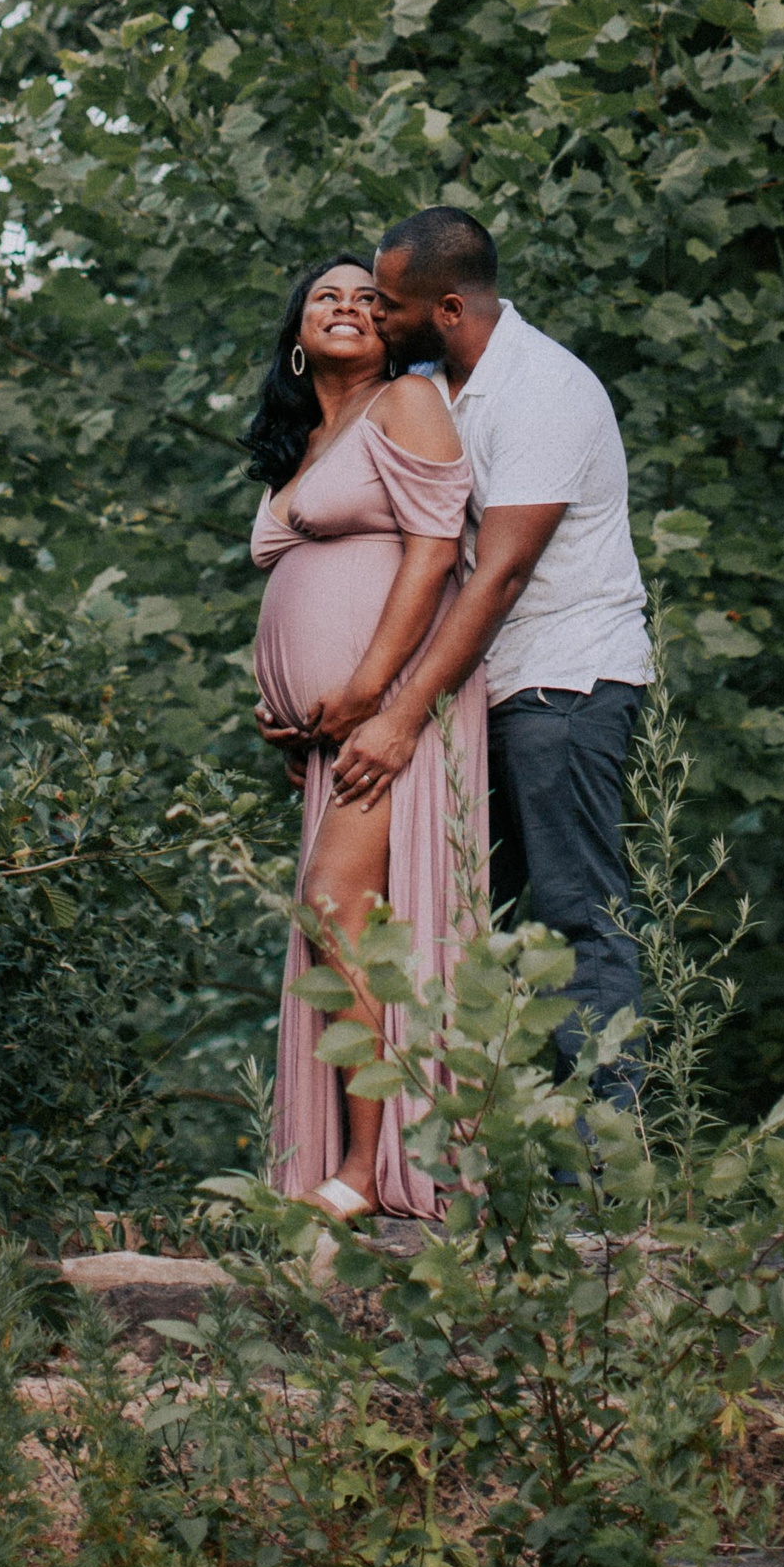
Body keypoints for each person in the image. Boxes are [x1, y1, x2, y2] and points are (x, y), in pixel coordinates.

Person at [334, 209, 651, 1079]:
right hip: (490, 691)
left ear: (445, 307)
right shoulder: (440, 385)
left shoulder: (544, 387)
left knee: (575, 915)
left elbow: (499, 576)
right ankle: (521, 1170)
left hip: (563, 686)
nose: (375, 317)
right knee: (499, 926)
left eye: (388, 305)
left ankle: (607, 1174)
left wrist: (398, 716)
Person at [245, 249, 486, 1220]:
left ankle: (364, 1167)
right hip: (328, 733)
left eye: (363, 298)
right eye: (323, 298)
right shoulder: (310, 435)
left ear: (391, 325)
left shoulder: (406, 403)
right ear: (297, 338)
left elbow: (437, 553)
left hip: (393, 719)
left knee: (332, 904)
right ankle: (349, 1161)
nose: (345, 308)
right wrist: (291, 707)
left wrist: (365, 691)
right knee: (342, 928)